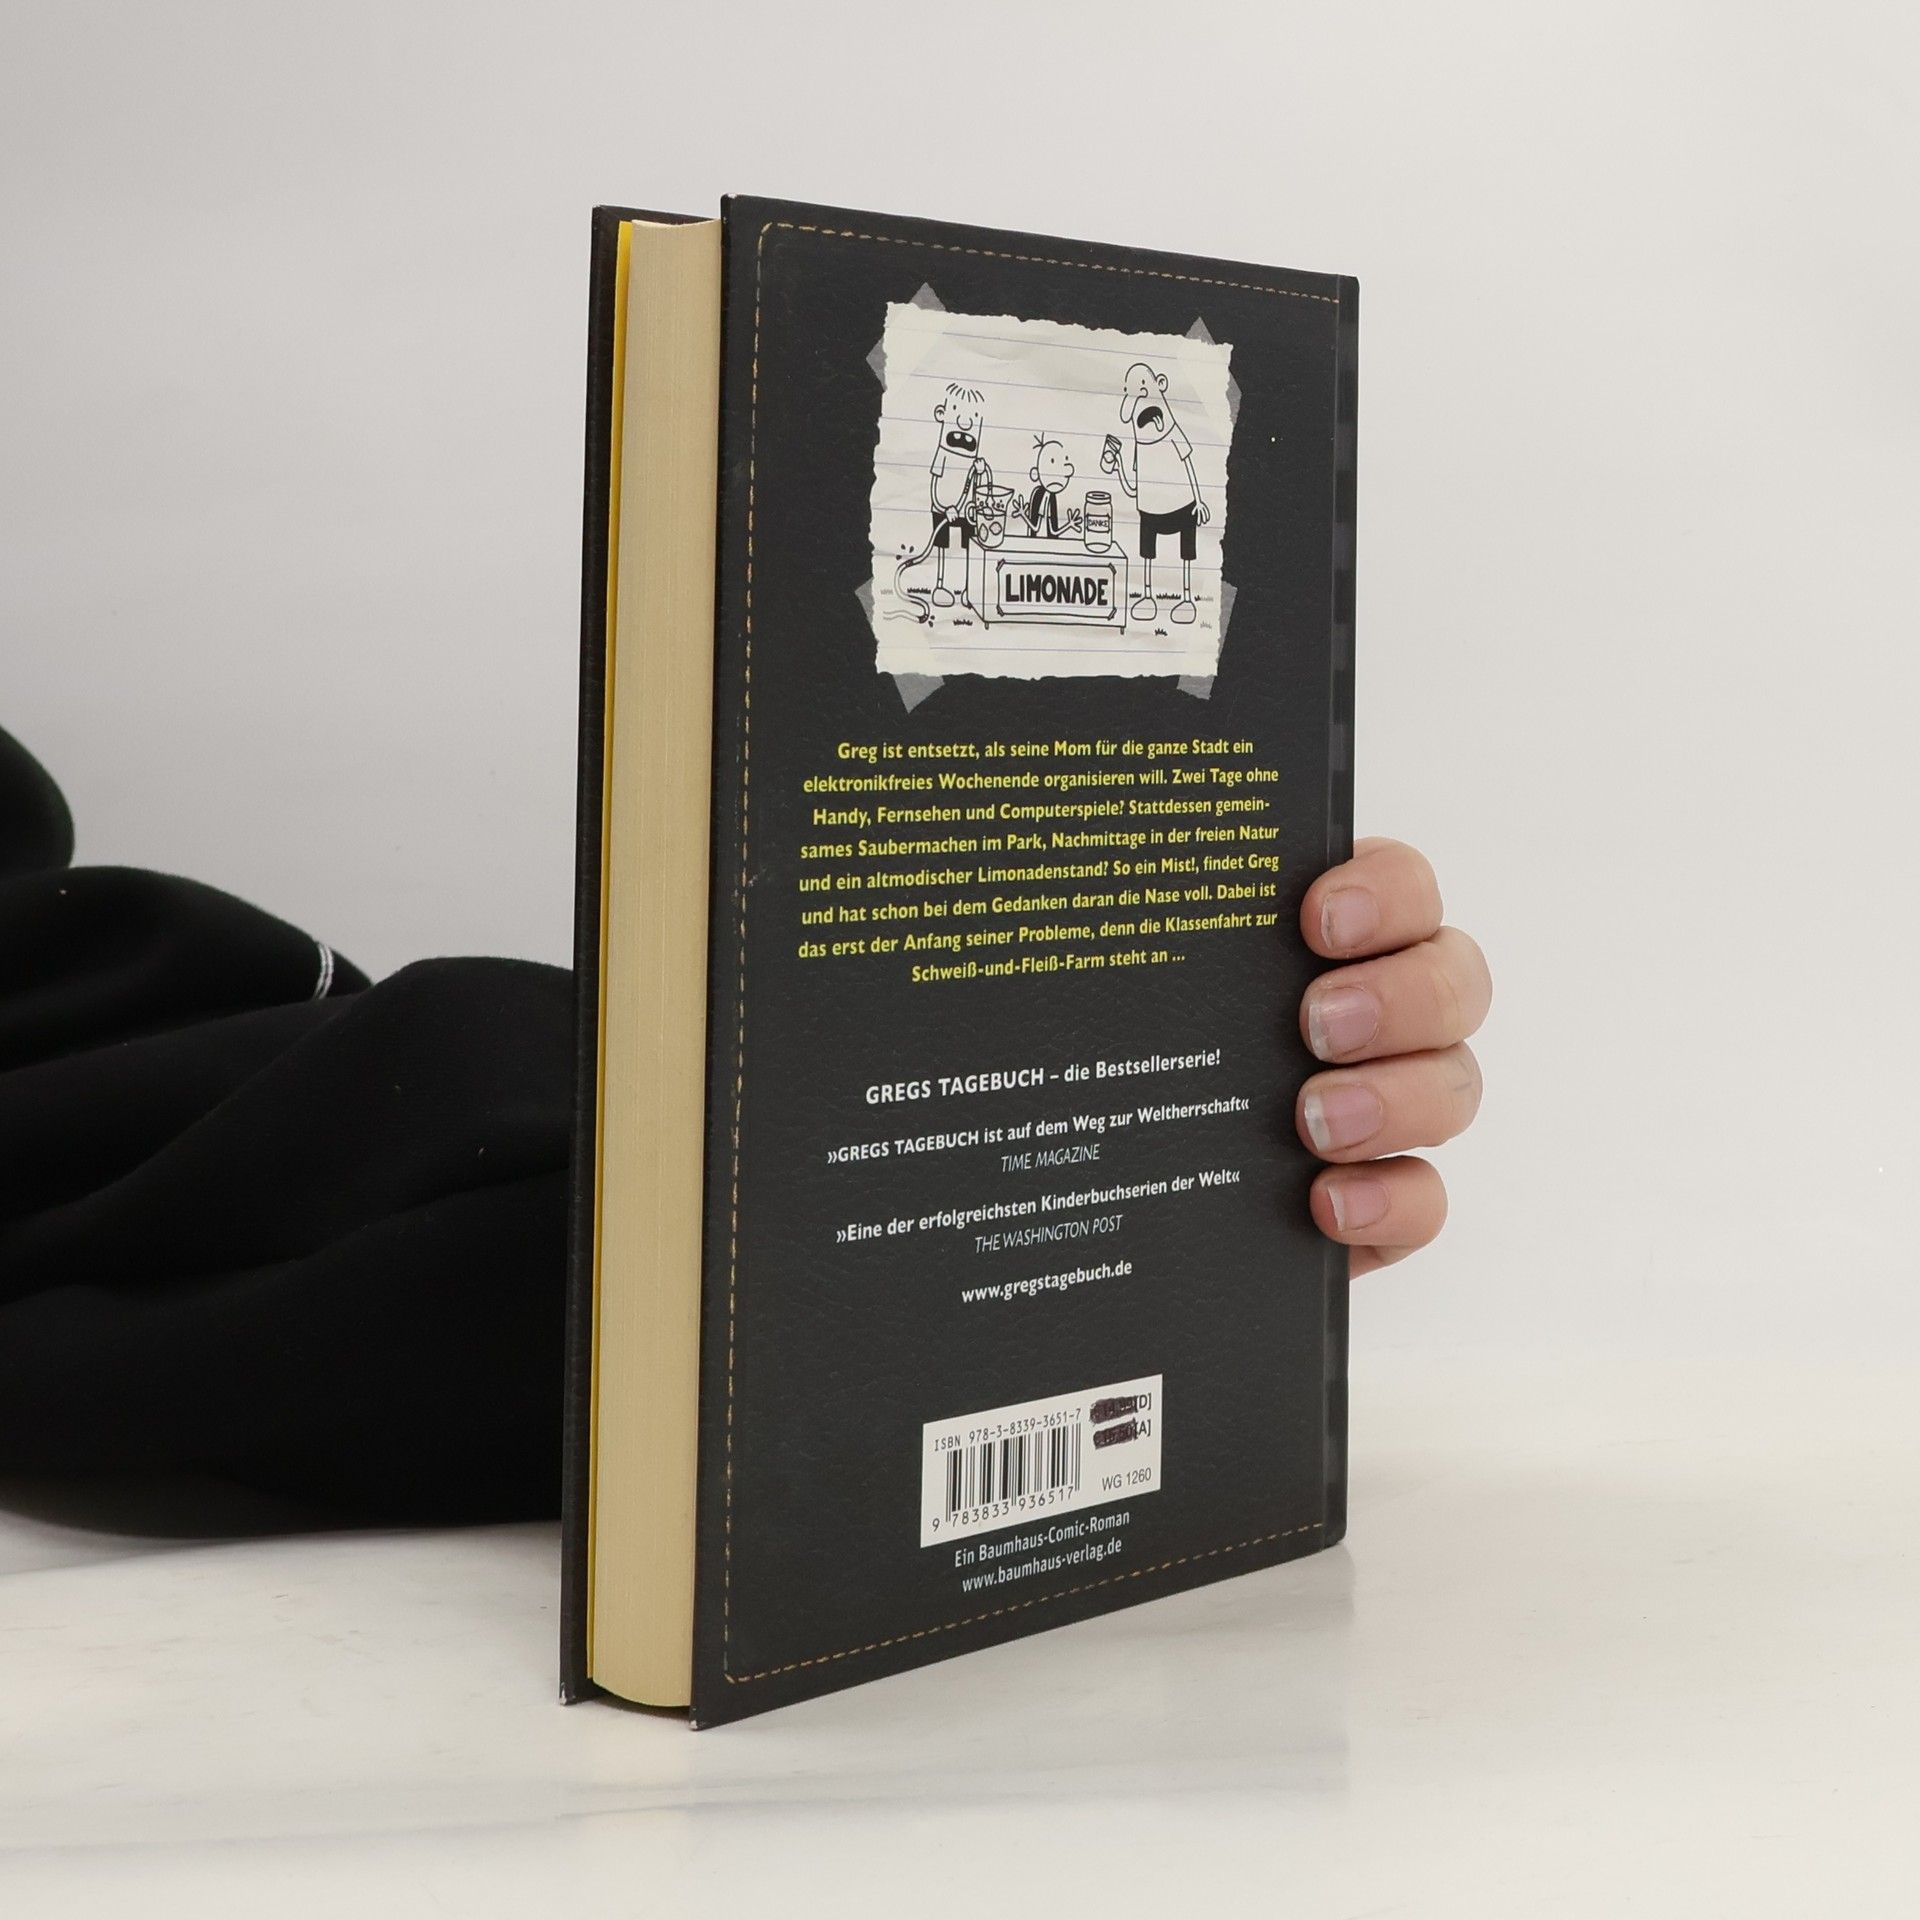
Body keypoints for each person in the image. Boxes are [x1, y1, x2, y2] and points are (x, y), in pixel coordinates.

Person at [1102, 360, 1210, 624]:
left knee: (1186, 551)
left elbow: (1187, 461)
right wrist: (1118, 466)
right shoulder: (1140, 448)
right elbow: (1133, 488)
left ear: (1160, 385)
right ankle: (1148, 596)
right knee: (1147, 552)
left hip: (1184, 505)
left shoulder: (1172, 432)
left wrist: (1199, 500)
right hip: (1149, 509)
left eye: (1143, 388)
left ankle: (1187, 598)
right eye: (1133, 394)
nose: (1140, 398)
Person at [1016, 435, 1083, 539]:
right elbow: (1036, 528)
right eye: (1052, 461)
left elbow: (1052, 531)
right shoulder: (1040, 495)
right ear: (1035, 473)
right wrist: (1023, 514)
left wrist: (1069, 524)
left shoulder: (1051, 497)